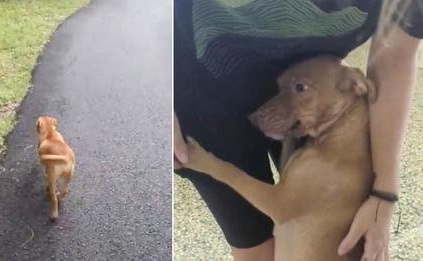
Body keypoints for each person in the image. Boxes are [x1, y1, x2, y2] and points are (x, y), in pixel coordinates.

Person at [174, 0, 422, 260]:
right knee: (256, 247)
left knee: (321, 231)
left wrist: (383, 192)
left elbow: (394, 56)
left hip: (309, 84)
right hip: (199, 87)